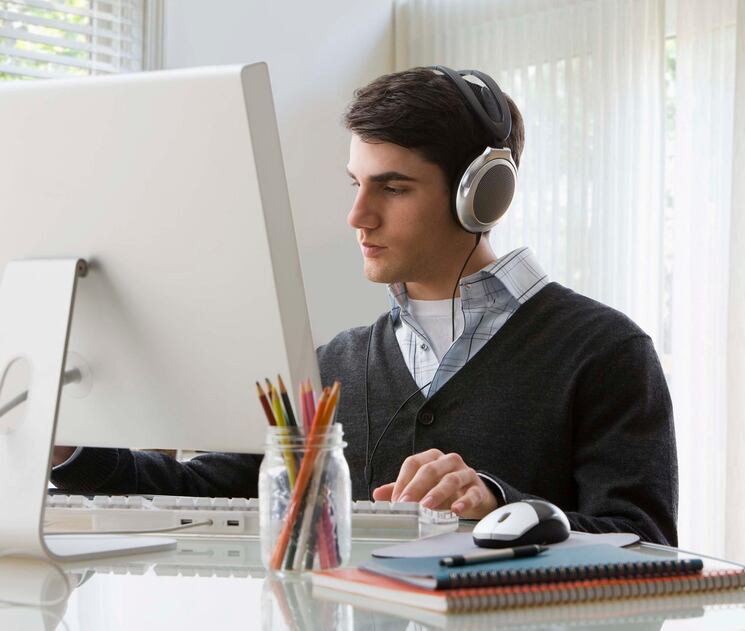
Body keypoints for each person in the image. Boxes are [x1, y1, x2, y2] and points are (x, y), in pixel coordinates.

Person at [51, 67, 678, 545]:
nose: (358, 216)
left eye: (394, 187)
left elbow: (646, 543)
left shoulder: (605, 351)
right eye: (357, 184)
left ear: (481, 197)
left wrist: (497, 502)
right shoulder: (328, 366)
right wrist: (69, 452)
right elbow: (204, 493)